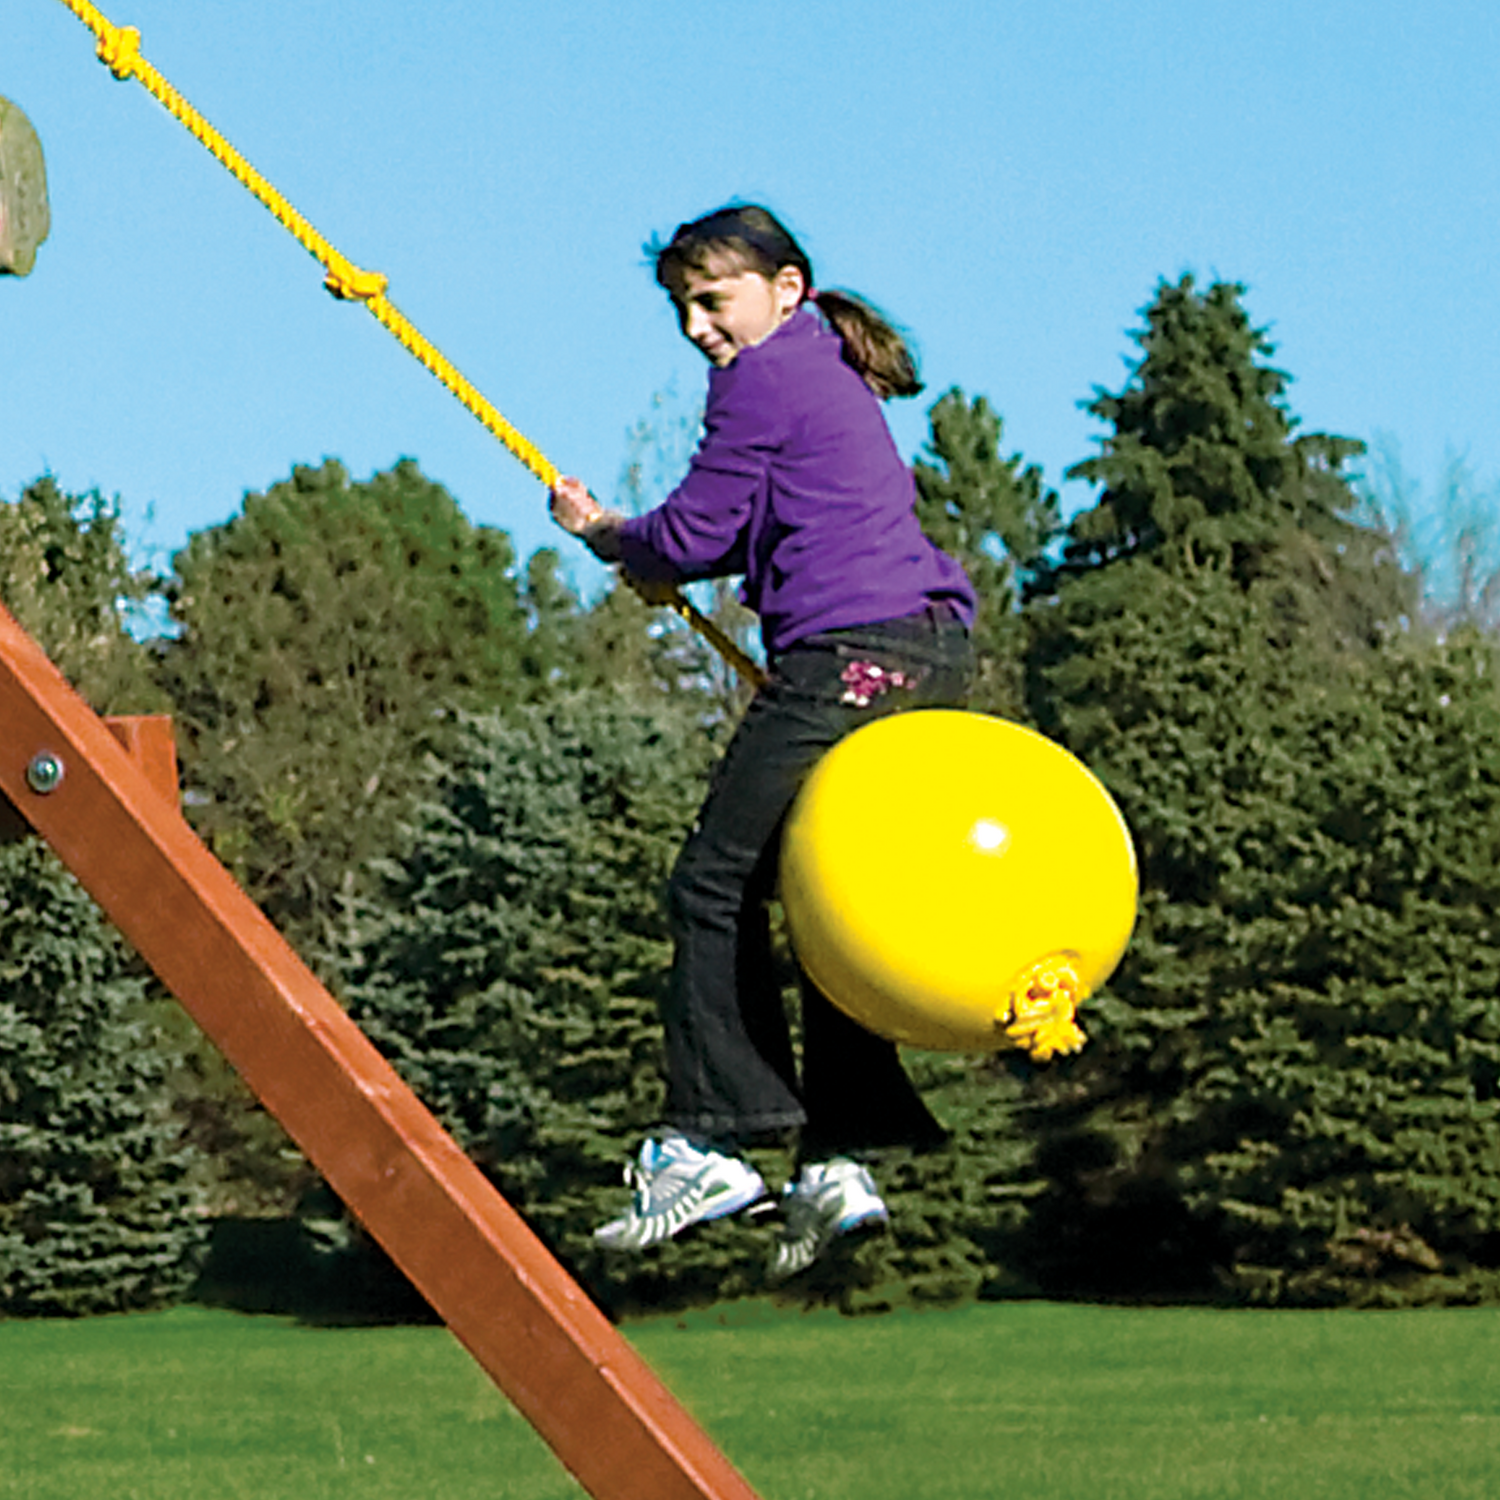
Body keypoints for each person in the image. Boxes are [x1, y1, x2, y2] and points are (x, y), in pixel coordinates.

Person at [549, 203, 976, 1278]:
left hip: (848, 657)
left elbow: (693, 533)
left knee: (709, 883)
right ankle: (836, 1160)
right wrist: (658, 555)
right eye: (683, 308)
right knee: (829, 891)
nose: (698, 327)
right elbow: (737, 524)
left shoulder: (764, 374)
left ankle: (715, 1137)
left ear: (786, 289)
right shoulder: (824, 370)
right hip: (928, 653)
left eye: (714, 298)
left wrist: (607, 533)